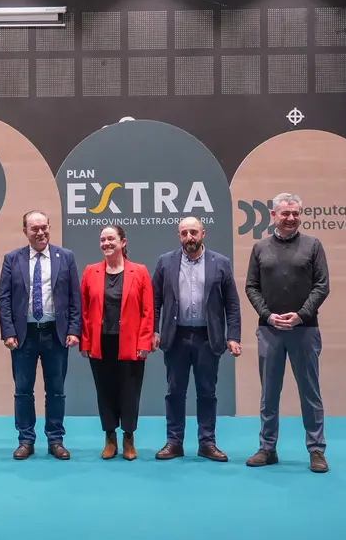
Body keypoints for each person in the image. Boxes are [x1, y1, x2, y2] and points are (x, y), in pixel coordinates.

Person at [244, 193, 330, 473]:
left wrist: (300, 316)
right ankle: (267, 449)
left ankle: (316, 450)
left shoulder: (313, 246)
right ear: (273, 216)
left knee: (310, 392)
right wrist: (268, 316)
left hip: (305, 330)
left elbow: (322, 285)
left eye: (295, 213)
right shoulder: (260, 248)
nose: (290, 218)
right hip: (269, 331)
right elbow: (251, 287)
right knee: (269, 393)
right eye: (285, 213)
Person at [151, 217, 242, 462]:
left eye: (193, 232)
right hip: (175, 337)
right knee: (174, 392)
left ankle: (207, 442)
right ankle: (174, 442)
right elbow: (154, 301)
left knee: (207, 392)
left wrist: (233, 336)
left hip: (207, 338)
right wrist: (154, 331)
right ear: (178, 235)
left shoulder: (220, 263)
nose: (189, 237)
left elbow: (232, 304)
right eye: (184, 233)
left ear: (203, 233)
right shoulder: (165, 262)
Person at [0, 210, 81, 460]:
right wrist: (8, 332)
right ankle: (25, 439)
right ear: (25, 231)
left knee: (56, 390)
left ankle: (55, 439)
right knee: (23, 390)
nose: (40, 232)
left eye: (44, 227)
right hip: (23, 337)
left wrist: (74, 330)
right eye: (34, 228)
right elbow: (5, 299)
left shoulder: (65, 257)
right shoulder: (12, 259)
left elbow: (74, 298)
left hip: (55, 334)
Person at [80, 225, 153, 461]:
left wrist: (145, 341)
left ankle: (128, 438)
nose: (106, 243)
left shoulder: (139, 271)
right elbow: (83, 310)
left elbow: (147, 311)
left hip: (131, 344)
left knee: (130, 391)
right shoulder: (90, 271)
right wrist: (85, 342)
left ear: (123, 242)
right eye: (102, 239)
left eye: (111, 239)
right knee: (105, 391)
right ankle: (109, 438)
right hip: (100, 344)